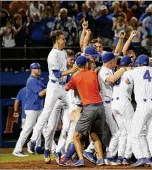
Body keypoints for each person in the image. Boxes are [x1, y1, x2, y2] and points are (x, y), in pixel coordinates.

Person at [27, 30, 78, 163]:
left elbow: (66, 71)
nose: (65, 41)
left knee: (74, 111)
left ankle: (62, 150)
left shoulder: (63, 52)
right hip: (54, 87)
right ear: (57, 41)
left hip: (64, 87)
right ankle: (34, 141)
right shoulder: (52, 55)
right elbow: (56, 74)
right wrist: (71, 70)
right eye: (62, 39)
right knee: (48, 117)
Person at [65, 55, 106, 166]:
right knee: (94, 134)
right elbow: (97, 87)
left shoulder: (76, 77)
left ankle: (81, 159)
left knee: (76, 136)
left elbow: (66, 88)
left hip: (89, 108)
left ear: (77, 65)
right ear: (86, 64)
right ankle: (101, 159)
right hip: (101, 107)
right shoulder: (93, 74)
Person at [126, 54, 152, 167]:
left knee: (134, 133)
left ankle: (141, 157)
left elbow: (126, 81)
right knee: (151, 134)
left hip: (143, 105)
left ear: (139, 63)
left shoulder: (134, 71)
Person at [98, 52, 126, 165]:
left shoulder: (108, 69)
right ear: (110, 62)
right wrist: (123, 69)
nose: (115, 63)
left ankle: (111, 154)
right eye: (114, 61)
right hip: (107, 103)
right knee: (117, 132)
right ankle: (109, 157)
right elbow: (112, 79)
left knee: (114, 132)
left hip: (111, 103)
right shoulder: (104, 71)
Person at [13, 63, 46, 157]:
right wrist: (51, 88)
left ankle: (37, 146)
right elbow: (41, 93)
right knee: (27, 129)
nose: (39, 70)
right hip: (32, 108)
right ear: (32, 70)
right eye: (37, 68)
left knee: (42, 127)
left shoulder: (38, 80)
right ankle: (17, 150)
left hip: (38, 107)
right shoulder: (31, 80)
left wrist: (50, 88)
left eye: (39, 68)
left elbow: (45, 88)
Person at [110, 56, 134, 165]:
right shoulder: (130, 73)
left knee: (123, 132)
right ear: (130, 64)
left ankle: (120, 156)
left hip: (114, 103)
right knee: (131, 131)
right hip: (124, 102)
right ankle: (126, 157)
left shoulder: (117, 72)